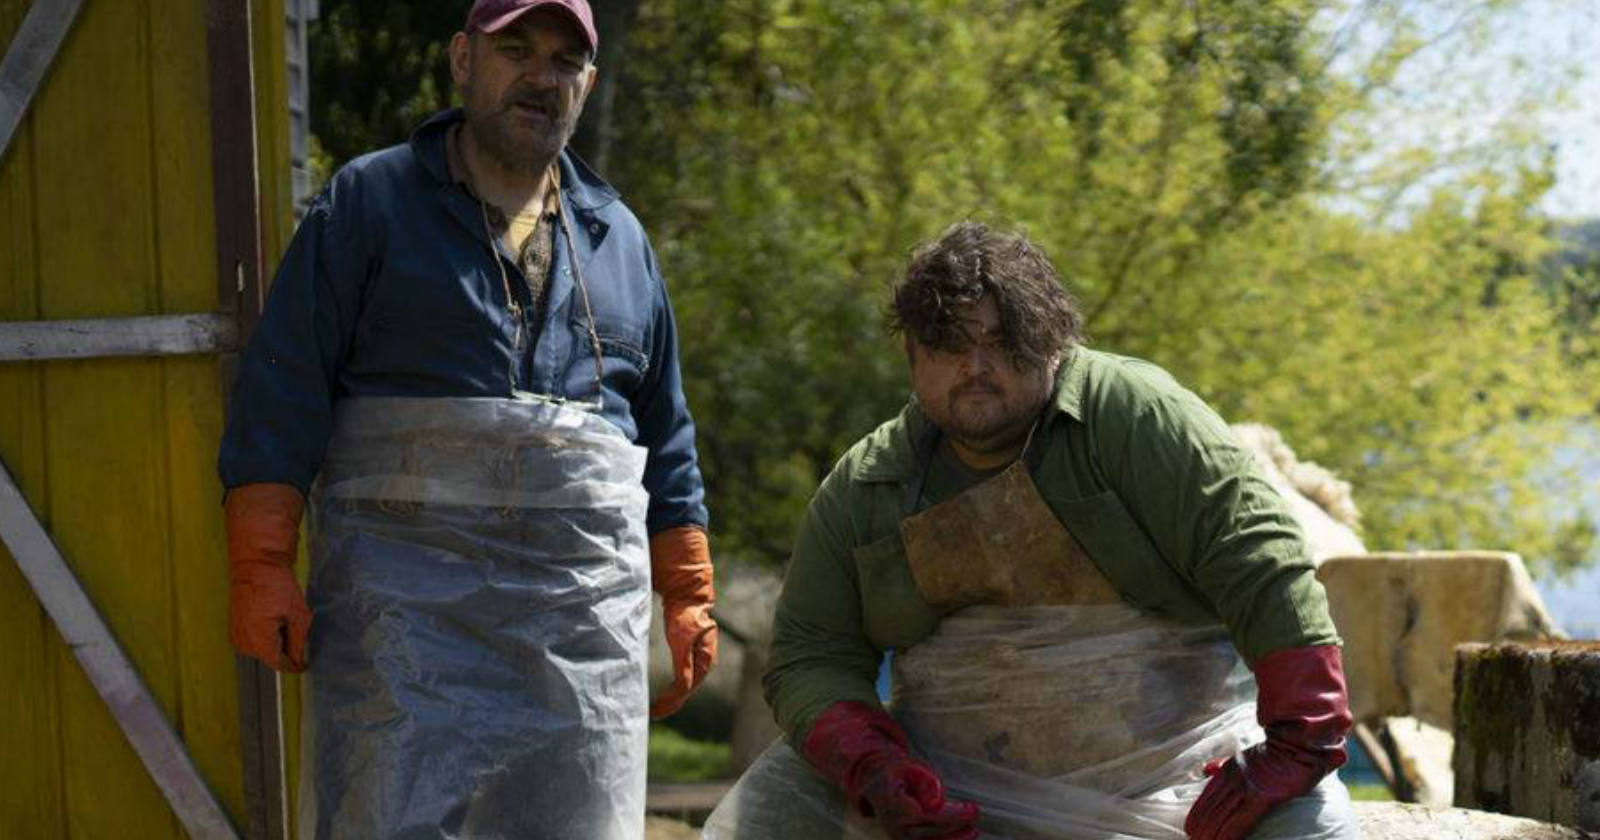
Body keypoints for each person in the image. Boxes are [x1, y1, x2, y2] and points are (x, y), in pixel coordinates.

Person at [217, 1, 717, 836]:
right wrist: (260, 561)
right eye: (515, 48)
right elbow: (284, 387)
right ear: (462, 60)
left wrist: (689, 591)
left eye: (564, 61)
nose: (540, 76)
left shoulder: (619, 238)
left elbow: (663, 437)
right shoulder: (369, 204)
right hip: (402, 649)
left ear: (586, 85)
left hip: (579, 660)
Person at [704, 221, 1356, 840]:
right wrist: (874, 766)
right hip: (950, 799)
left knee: (1311, 822)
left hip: (1179, 782)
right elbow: (811, 653)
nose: (976, 366)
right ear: (912, 357)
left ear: (1051, 341)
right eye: (950, 345)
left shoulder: (1135, 414)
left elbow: (1257, 556)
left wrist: (1303, 735)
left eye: (1002, 340)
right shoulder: (868, 484)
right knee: (774, 804)